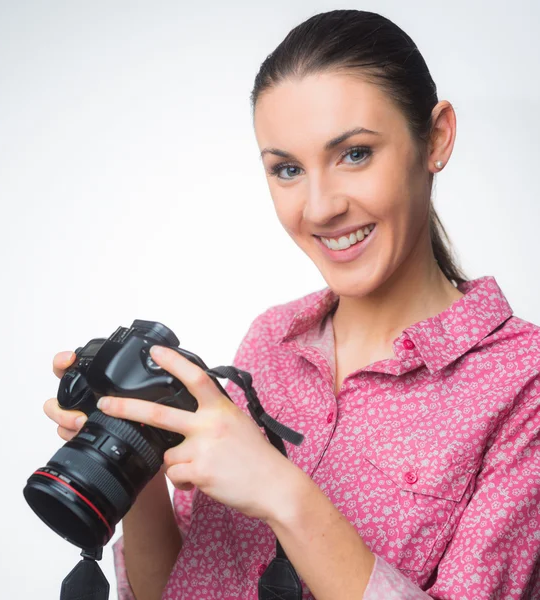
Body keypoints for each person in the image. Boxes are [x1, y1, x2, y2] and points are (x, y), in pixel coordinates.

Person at [43, 9, 540, 600]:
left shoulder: (523, 383)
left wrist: (284, 495)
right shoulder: (269, 341)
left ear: (435, 138)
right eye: (287, 169)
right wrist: (135, 456)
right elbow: (172, 589)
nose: (320, 206)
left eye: (355, 154)